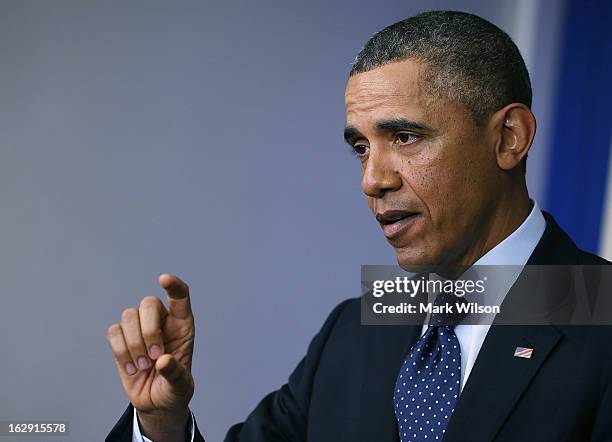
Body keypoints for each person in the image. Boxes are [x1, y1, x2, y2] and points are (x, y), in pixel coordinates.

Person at [105, 10, 612, 442]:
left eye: (407, 137)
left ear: (509, 138)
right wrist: (161, 423)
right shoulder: (354, 328)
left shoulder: (601, 311)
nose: (372, 180)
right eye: (361, 148)